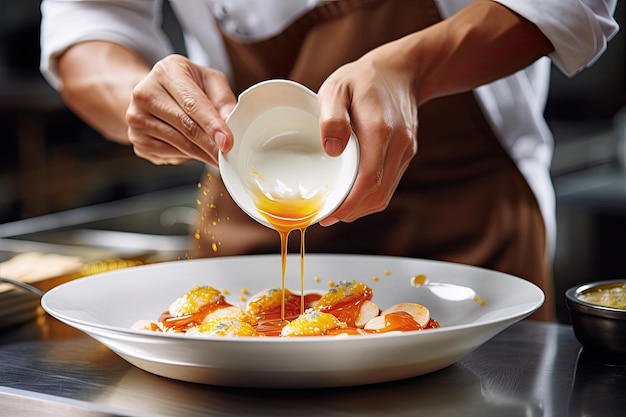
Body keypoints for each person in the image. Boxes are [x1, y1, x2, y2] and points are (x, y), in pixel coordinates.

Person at [39, 0, 619, 321]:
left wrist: (413, 67)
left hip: (464, 229)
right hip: (248, 221)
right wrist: (140, 98)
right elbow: (87, 23)